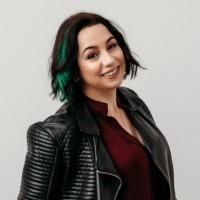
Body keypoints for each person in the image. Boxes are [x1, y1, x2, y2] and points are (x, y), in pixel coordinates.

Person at [18, 12, 177, 200]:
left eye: (111, 46)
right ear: (74, 69)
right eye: (92, 55)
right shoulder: (54, 134)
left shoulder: (133, 103)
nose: (109, 60)